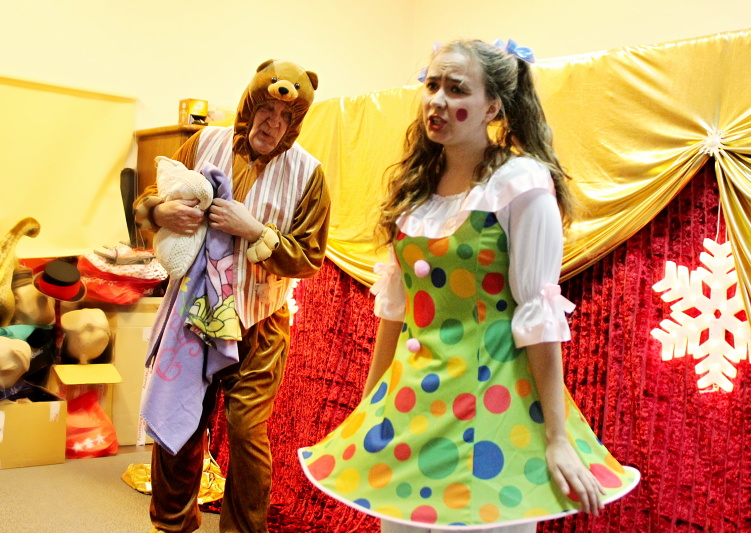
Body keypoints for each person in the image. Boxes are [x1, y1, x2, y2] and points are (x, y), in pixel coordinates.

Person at [298, 39, 639, 532]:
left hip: (491, 409)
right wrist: (368, 407)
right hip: (411, 406)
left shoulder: (520, 183)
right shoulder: (414, 191)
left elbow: (538, 316)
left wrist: (558, 437)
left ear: (493, 107)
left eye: (457, 89)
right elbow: (396, 312)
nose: (437, 100)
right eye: (432, 85)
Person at [134, 59, 331, 533]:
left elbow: (309, 257)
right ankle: (172, 524)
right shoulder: (204, 143)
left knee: (246, 433)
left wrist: (257, 232)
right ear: (249, 105)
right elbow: (151, 196)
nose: (273, 123)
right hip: (192, 311)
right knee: (180, 421)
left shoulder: (309, 174)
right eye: (266, 109)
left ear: (296, 122)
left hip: (260, 321)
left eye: (285, 116)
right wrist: (160, 212)